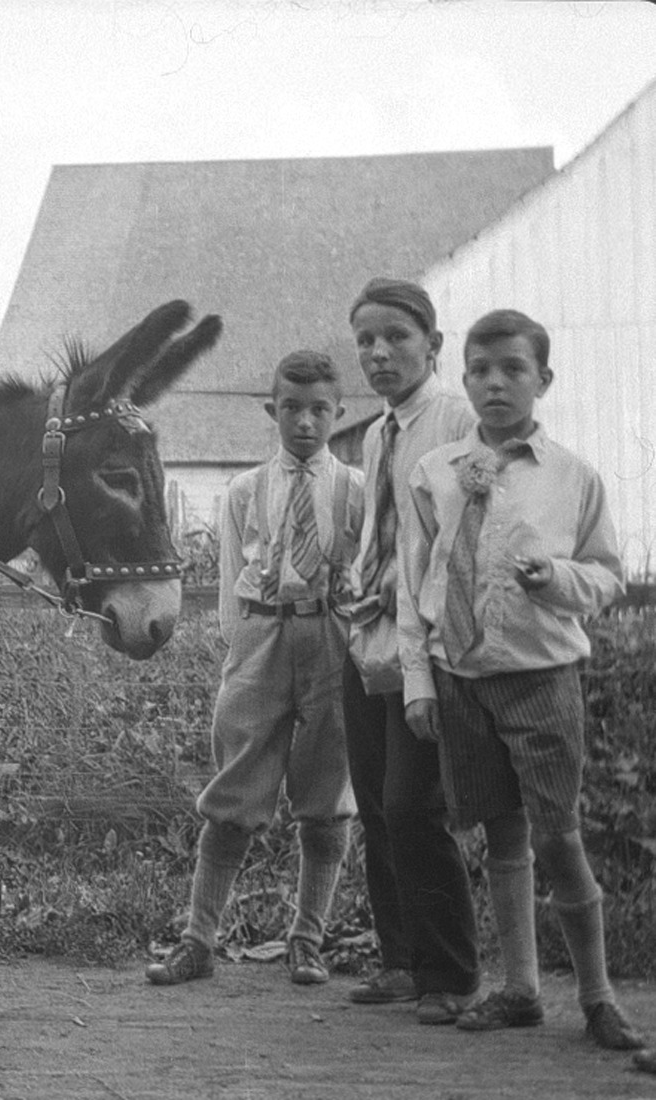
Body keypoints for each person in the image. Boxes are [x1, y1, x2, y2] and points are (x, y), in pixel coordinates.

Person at [397, 309, 644, 1053]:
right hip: (460, 674)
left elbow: (608, 575)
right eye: (479, 370)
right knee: (499, 832)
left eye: (513, 369)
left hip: (540, 679)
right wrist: (419, 680)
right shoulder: (434, 471)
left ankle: (598, 997)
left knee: (558, 837)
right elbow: (416, 583)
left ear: (544, 379)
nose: (495, 383)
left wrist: (558, 578)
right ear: (463, 377)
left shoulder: (571, 476)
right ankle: (522, 989)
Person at [146, 351, 361, 987]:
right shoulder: (245, 489)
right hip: (262, 641)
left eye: (319, 409)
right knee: (234, 797)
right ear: (272, 412)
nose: (304, 422)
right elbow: (225, 590)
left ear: (337, 413)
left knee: (324, 800)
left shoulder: (351, 487)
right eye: (291, 408)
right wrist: (242, 650)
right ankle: (198, 941)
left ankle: (307, 939)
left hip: (330, 640)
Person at [338, 277, 481, 1024]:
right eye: (365, 339)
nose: (379, 352)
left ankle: (452, 974)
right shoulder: (374, 431)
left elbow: (455, 541)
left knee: (413, 803)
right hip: (367, 630)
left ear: (433, 343)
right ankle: (400, 959)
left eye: (395, 335)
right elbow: (377, 529)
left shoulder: (458, 419)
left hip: (426, 638)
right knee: (373, 801)